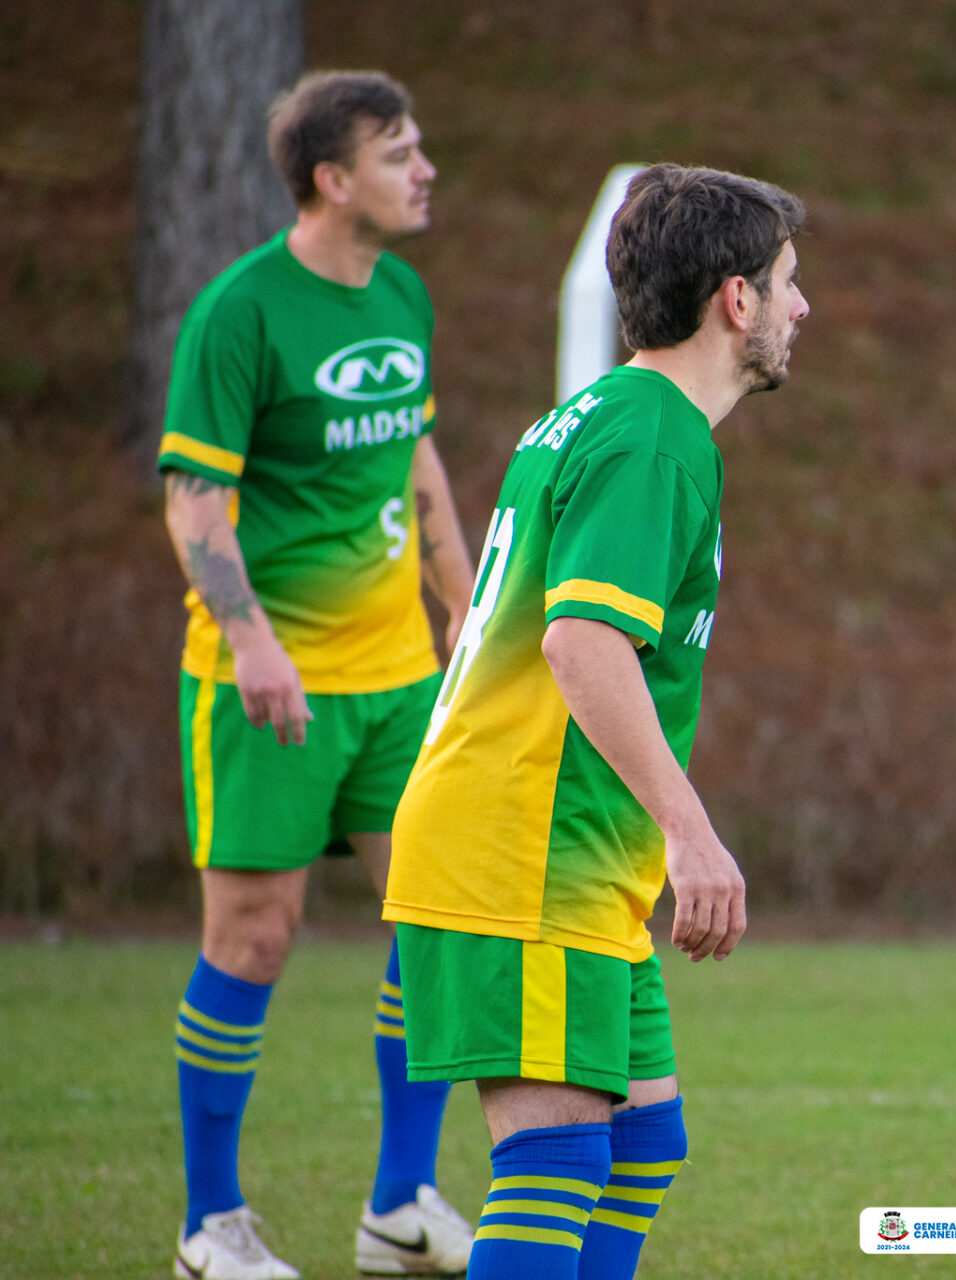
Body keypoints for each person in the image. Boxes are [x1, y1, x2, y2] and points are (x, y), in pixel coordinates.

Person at [380, 163, 807, 1280]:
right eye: (789, 282)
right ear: (736, 299)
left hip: (564, 843)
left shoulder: (604, 414)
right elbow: (580, 641)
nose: (803, 307)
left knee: (639, 1147)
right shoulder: (655, 434)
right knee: (560, 1156)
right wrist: (692, 829)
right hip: (523, 840)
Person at [157, 72, 478, 1279]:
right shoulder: (239, 312)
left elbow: (416, 458)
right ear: (332, 180)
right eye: (400, 153)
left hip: (400, 682)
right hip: (267, 683)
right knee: (253, 938)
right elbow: (195, 502)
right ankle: (212, 1227)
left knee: (432, 921)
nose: (425, 168)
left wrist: (466, 607)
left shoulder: (401, 293)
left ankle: (400, 1203)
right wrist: (249, 641)